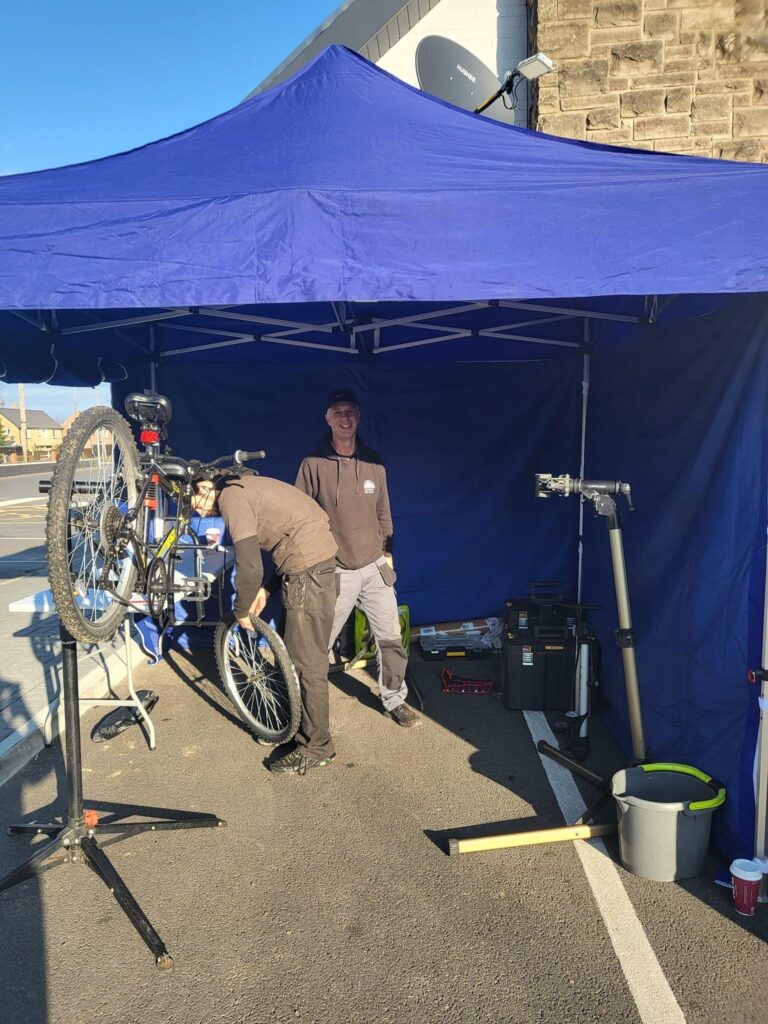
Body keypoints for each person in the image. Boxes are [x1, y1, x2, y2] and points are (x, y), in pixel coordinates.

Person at [194, 473, 339, 775]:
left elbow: (249, 565)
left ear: (208, 485)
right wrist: (268, 589)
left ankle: (318, 746)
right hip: (310, 562)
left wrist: (241, 609)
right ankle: (298, 732)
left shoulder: (231, 497)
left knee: (306, 662)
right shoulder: (245, 487)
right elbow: (289, 531)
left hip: (308, 570)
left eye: (195, 496)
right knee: (297, 654)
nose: (195, 507)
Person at [295, 388, 421, 728]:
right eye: (337, 412)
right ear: (327, 418)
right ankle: (300, 709)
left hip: (374, 566)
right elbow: (301, 517)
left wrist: (387, 554)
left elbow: (384, 512)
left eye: (350, 411)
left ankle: (394, 699)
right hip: (335, 571)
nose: (344, 418)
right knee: (316, 645)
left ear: (358, 417)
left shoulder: (374, 462)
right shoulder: (313, 464)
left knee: (391, 640)